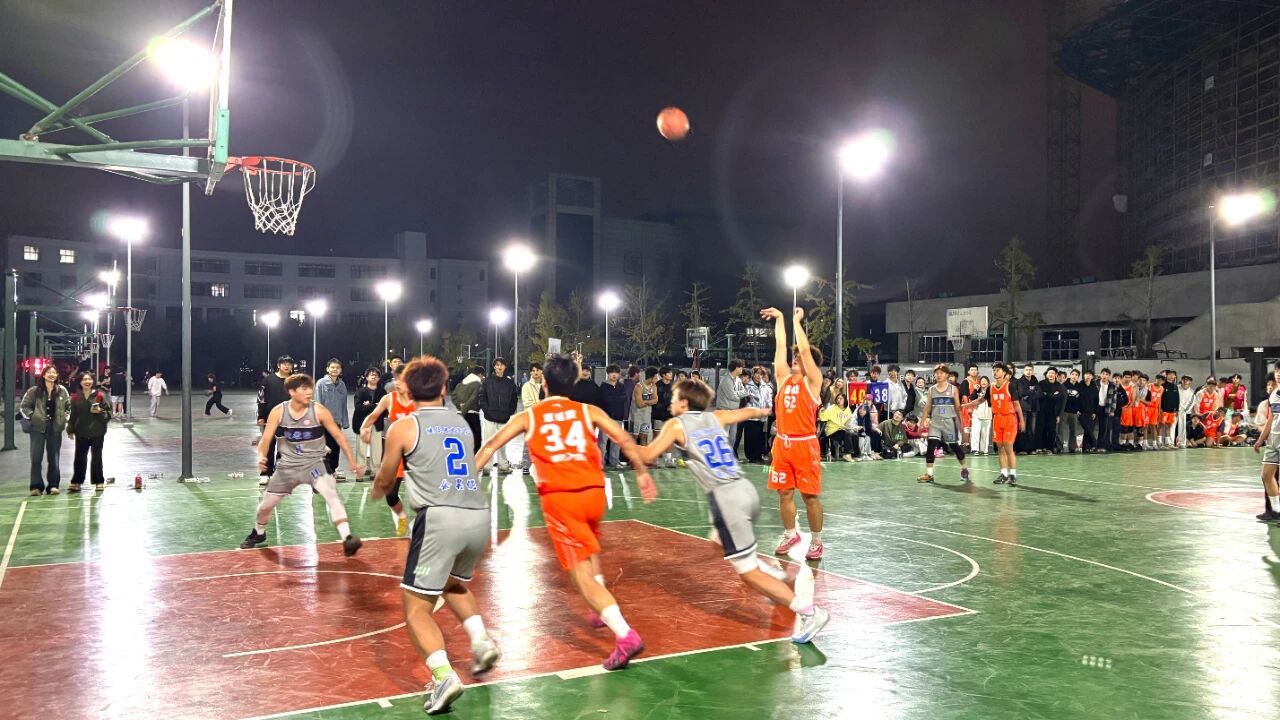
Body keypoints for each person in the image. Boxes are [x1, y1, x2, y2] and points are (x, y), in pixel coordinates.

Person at [476, 355, 657, 670]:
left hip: (563, 500)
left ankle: (625, 635)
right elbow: (623, 438)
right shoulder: (588, 411)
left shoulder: (529, 416)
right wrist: (641, 472)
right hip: (594, 493)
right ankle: (599, 610)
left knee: (581, 577)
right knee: (589, 547)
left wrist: (465, 482)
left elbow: (491, 445)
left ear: (544, 383)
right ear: (573, 383)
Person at [640, 377, 830, 643]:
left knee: (748, 574)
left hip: (726, 500)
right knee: (718, 540)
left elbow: (648, 455)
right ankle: (770, 572)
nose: (670, 403)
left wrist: (616, 438)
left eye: (673, 399)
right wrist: (763, 410)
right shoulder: (714, 417)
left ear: (683, 403)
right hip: (744, 490)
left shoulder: (676, 424)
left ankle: (809, 612)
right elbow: (746, 412)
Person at [371, 356, 499, 715]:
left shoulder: (404, 426)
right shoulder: (461, 423)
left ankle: (443, 676)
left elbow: (386, 477)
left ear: (407, 392)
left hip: (440, 519)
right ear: (444, 388)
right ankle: (481, 641)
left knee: (415, 609)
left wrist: (378, 491)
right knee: (452, 584)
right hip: (477, 515)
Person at [240, 373, 365, 554]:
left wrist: (352, 462)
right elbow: (265, 440)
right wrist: (261, 457)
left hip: (314, 464)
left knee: (331, 495)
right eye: (304, 389)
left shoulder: (319, 410)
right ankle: (259, 532)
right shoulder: (278, 411)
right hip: (287, 467)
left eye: (310, 389)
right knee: (265, 507)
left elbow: (339, 437)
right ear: (292, 391)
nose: (309, 392)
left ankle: (347, 538)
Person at [762, 306, 826, 561]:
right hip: (782, 444)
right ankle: (791, 534)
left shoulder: (814, 381)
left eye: (799, 356)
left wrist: (797, 321)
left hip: (805, 445)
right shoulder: (783, 379)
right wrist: (779, 319)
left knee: (810, 496)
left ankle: (817, 541)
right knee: (784, 493)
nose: (796, 358)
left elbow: (805, 350)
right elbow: (780, 347)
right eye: (795, 356)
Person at [360, 365, 414, 535]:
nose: (397, 383)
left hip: (416, 453)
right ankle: (402, 516)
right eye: (395, 379)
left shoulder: (421, 400)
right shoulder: (389, 399)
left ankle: (427, 526)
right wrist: (364, 428)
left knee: (424, 495)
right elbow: (372, 416)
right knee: (390, 495)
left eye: (401, 380)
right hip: (396, 453)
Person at [20, 365, 71, 496]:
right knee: (36, 458)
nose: (51, 375)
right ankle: (36, 487)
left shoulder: (62, 391)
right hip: (38, 428)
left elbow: (68, 407)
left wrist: (64, 418)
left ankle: (53, 485)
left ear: (57, 375)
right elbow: (24, 406)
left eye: (54, 372)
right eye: (49, 372)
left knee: (54, 458)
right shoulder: (34, 391)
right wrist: (33, 416)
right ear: (43, 375)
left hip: (55, 428)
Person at [917, 364, 971, 483]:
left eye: (941, 373)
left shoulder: (953, 389)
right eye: (937, 373)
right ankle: (929, 474)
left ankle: (965, 469)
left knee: (954, 447)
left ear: (946, 375)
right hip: (935, 422)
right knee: (931, 446)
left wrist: (961, 424)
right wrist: (922, 423)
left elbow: (957, 407)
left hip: (949, 422)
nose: (938, 375)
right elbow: (927, 408)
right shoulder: (931, 390)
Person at [67, 371, 112, 493]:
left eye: (89, 379)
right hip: (81, 432)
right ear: (80, 382)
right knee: (79, 457)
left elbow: (109, 414)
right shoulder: (75, 397)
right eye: (84, 379)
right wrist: (70, 429)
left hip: (97, 432)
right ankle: (76, 482)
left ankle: (99, 481)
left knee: (97, 457)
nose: (87, 381)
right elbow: (73, 415)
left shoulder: (100, 396)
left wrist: (100, 411)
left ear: (93, 381)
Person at [256, 355, 295, 483]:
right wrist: (261, 416)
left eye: (289, 364)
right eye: (284, 363)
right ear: (278, 365)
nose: (287, 366)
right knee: (269, 446)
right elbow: (261, 398)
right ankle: (265, 473)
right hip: (270, 419)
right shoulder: (268, 380)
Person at [478, 358, 518, 472]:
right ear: (494, 367)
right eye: (497, 365)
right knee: (488, 443)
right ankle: (486, 466)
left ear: (505, 367)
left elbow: (514, 398)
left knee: (502, 443)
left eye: (501, 365)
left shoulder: (510, 383)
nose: (499, 367)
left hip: (504, 418)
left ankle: (503, 465)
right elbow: (482, 396)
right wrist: (486, 410)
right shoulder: (487, 381)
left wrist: (510, 411)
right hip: (490, 417)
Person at [989, 363, 1026, 486]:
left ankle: (1013, 475)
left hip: (1009, 418)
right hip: (997, 418)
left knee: (1008, 447)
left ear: (1004, 372)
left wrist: (1021, 420)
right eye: (994, 370)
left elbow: (1017, 405)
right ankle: (1004, 474)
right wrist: (966, 405)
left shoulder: (1010, 385)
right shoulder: (991, 387)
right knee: (1000, 448)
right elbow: (981, 399)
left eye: (998, 370)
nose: (995, 372)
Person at [1253, 364, 1280, 522]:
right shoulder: (1274, 395)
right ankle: (1276, 511)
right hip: (1273, 441)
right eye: (1277, 371)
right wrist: (1260, 439)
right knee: (1266, 475)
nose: (1278, 374)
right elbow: (1271, 419)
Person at [315, 359, 350, 479]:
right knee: (325, 447)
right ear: (327, 369)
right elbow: (317, 403)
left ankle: (333, 470)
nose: (335, 369)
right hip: (324, 423)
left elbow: (344, 404)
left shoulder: (342, 385)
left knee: (336, 447)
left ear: (341, 370)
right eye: (332, 367)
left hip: (337, 422)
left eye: (337, 368)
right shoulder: (321, 383)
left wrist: (344, 422)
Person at [351, 367, 386, 479]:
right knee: (361, 448)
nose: (374, 376)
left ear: (379, 378)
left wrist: (368, 405)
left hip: (377, 423)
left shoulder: (382, 392)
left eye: (376, 375)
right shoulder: (360, 392)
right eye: (371, 374)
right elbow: (358, 408)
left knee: (377, 448)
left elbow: (385, 409)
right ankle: (360, 472)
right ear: (366, 377)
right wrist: (375, 405)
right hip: (362, 424)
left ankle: (375, 471)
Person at [599, 365, 630, 468]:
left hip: (618, 417)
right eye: (612, 372)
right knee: (603, 441)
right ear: (608, 374)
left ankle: (614, 461)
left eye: (616, 372)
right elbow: (605, 400)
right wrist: (617, 398)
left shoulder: (621, 386)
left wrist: (613, 398)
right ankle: (600, 462)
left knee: (616, 441)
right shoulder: (603, 386)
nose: (614, 375)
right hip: (605, 418)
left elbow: (624, 398)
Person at [716, 359, 747, 457]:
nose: (742, 369)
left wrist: (737, 394)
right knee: (724, 435)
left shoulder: (738, 380)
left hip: (734, 411)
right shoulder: (726, 380)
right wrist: (739, 394)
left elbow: (744, 392)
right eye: (741, 367)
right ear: (736, 368)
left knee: (733, 436)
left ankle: (728, 455)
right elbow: (732, 396)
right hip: (724, 411)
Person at [743, 367, 772, 463]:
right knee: (750, 437)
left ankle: (759, 455)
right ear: (753, 374)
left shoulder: (766, 387)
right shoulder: (748, 386)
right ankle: (751, 457)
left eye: (761, 374)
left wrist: (769, 409)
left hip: (762, 417)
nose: (759, 376)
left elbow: (768, 400)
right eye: (757, 373)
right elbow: (746, 400)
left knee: (760, 437)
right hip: (751, 417)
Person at [453, 365, 485, 452]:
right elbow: (473, 398)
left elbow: (453, 396)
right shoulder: (477, 384)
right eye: (482, 376)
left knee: (462, 438)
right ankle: (474, 458)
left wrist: (459, 406)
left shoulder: (461, 383)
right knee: (476, 439)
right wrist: (464, 409)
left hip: (460, 415)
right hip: (472, 414)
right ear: (480, 374)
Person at [818, 392, 856, 462]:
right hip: (831, 431)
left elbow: (848, 422)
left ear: (845, 400)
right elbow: (823, 418)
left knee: (854, 435)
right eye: (837, 398)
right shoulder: (832, 408)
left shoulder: (848, 410)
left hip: (842, 430)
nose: (838, 400)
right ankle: (847, 454)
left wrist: (852, 427)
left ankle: (856, 455)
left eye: (841, 399)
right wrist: (821, 413)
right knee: (846, 434)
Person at [651, 367, 676, 467]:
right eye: (669, 373)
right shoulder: (656, 386)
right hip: (658, 415)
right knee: (657, 438)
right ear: (663, 375)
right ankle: (657, 459)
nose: (671, 374)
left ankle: (669, 460)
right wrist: (666, 406)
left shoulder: (673, 386)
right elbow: (654, 402)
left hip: (669, 416)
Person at [1036, 368, 1064, 453]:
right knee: (1041, 429)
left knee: (1051, 430)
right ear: (1047, 374)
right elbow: (1040, 394)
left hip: (1053, 412)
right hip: (1041, 411)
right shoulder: (1041, 383)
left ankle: (1049, 448)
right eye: (1049, 373)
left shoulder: (1059, 386)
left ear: (1056, 375)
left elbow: (1058, 398)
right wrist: (1052, 395)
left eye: (1053, 373)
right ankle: (1040, 447)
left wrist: (1047, 394)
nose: (1051, 375)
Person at [1013, 365, 1040, 454]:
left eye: (1030, 370)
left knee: (1032, 429)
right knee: (1022, 429)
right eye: (1027, 370)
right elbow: (1021, 393)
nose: (1028, 371)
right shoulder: (1019, 381)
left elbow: (1039, 393)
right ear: (1023, 371)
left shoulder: (1035, 381)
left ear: (1033, 371)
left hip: (1034, 408)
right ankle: (1021, 449)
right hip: (1023, 408)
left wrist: (1029, 393)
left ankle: (1031, 449)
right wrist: (1033, 391)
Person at [631, 367, 658, 446]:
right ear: (650, 378)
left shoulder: (653, 386)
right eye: (655, 377)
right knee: (633, 438)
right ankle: (631, 454)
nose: (657, 379)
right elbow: (639, 404)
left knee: (644, 437)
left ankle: (643, 453)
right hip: (636, 417)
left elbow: (656, 400)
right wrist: (650, 402)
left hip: (646, 417)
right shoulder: (639, 387)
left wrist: (645, 402)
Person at [1058, 369, 1083, 453]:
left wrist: (1079, 409)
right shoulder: (1064, 385)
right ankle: (1060, 447)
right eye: (1073, 374)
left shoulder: (1079, 387)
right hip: (1064, 411)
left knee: (1074, 431)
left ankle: (1072, 448)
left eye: (1076, 375)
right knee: (1061, 430)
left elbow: (1081, 399)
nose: (1074, 376)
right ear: (1070, 375)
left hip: (1074, 412)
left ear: (1078, 377)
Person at [969, 375, 992, 456]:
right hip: (977, 415)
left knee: (985, 434)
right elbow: (971, 398)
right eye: (982, 381)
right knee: (976, 432)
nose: (983, 382)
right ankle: (975, 449)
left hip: (987, 415)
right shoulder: (978, 390)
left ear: (988, 383)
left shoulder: (991, 391)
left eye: (985, 381)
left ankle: (984, 450)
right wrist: (975, 390)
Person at [1177, 375, 1197, 448]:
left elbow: (1192, 402)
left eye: (1187, 380)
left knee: (1182, 428)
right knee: (1171, 427)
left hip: (1184, 412)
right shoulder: (1176, 388)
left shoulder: (1192, 392)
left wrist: (1184, 410)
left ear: (1190, 382)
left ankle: (1181, 443)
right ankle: (1170, 442)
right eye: (1184, 379)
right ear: (1181, 380)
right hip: (1174, 411)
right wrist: (1176, 409)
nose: (1185, 381)